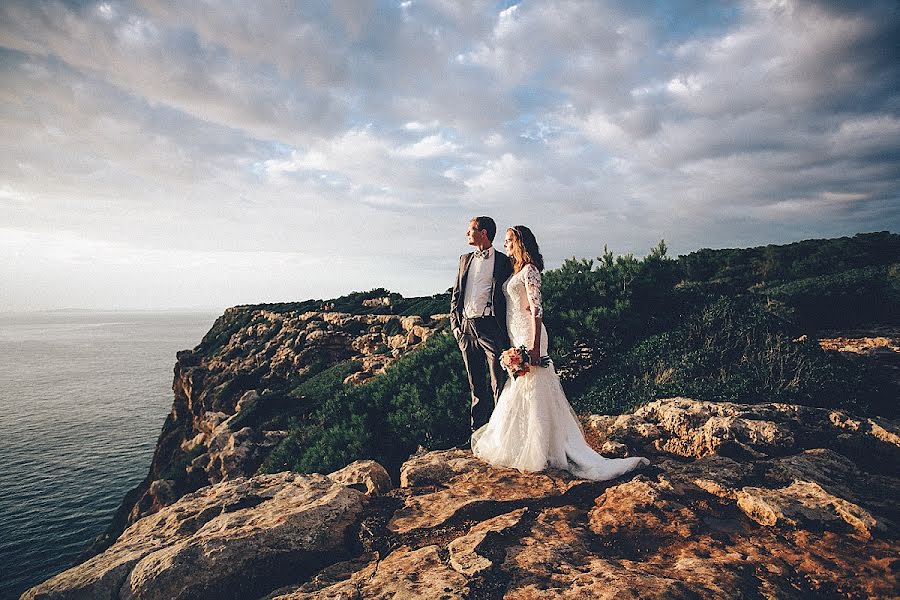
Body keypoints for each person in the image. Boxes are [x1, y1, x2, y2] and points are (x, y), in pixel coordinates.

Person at [471, 226, 650, 480]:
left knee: (534, 388)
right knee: (523, 388)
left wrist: (533, 347)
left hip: (530, 336)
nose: (505, 243)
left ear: (521, 243)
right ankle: (524, 443)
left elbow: (536, 310)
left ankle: (542, 448)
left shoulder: (530, 270)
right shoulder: (516, 271)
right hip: (517, 334)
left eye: (509, 240)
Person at [450, 216, 514, 445]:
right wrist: (456, 328)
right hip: (466, 329)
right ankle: (476, 438)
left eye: (471, 230)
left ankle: (502, 437)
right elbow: (456, 296)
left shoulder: (504, 262)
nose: (467, 233)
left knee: (499, 383)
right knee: (476, 386)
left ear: (484, 233)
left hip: (490, 329)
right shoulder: (464, 259)